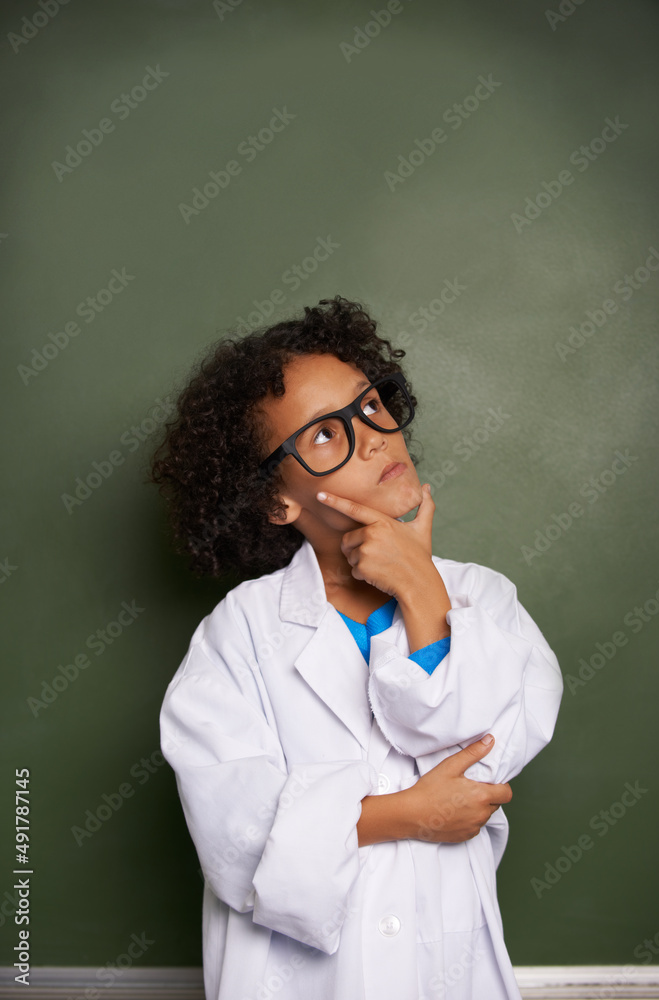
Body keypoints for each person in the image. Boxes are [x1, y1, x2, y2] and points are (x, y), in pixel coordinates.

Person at [151, 295, 564, 1000]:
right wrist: (402, 816)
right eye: (322, 435)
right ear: (275, 501)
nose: (371, 437)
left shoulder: (483, 602)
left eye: (370, 405)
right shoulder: (238, 633)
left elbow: (483, 765)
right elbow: (235, 834)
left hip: (445, 965)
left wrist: (423, 591)